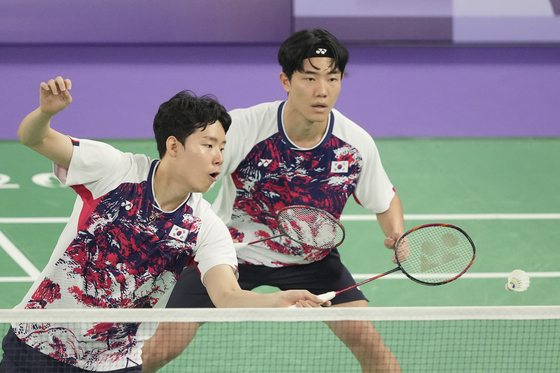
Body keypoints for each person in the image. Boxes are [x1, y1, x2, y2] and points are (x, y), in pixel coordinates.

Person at [0, 77, 327, 373]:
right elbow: (33, 138)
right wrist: (45, 113)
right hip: (35, 346)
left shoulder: (205, 227)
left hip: (113, 365)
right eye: (208, 144)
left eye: (223, 148)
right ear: (174, 146)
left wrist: (279, 299)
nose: (219, 157)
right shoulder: (114, 170)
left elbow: (227, 294)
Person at [142, 28, 405, 373]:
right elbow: (190, 177)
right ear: (286, 80)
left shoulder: (354, 144)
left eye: (332, 78)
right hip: (231, 252)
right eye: (309, 77)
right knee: (158, 350)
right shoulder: (246, 127)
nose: (322, 90)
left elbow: (385, 200)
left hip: (312, 259)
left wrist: (397, 235)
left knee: (374, 349)